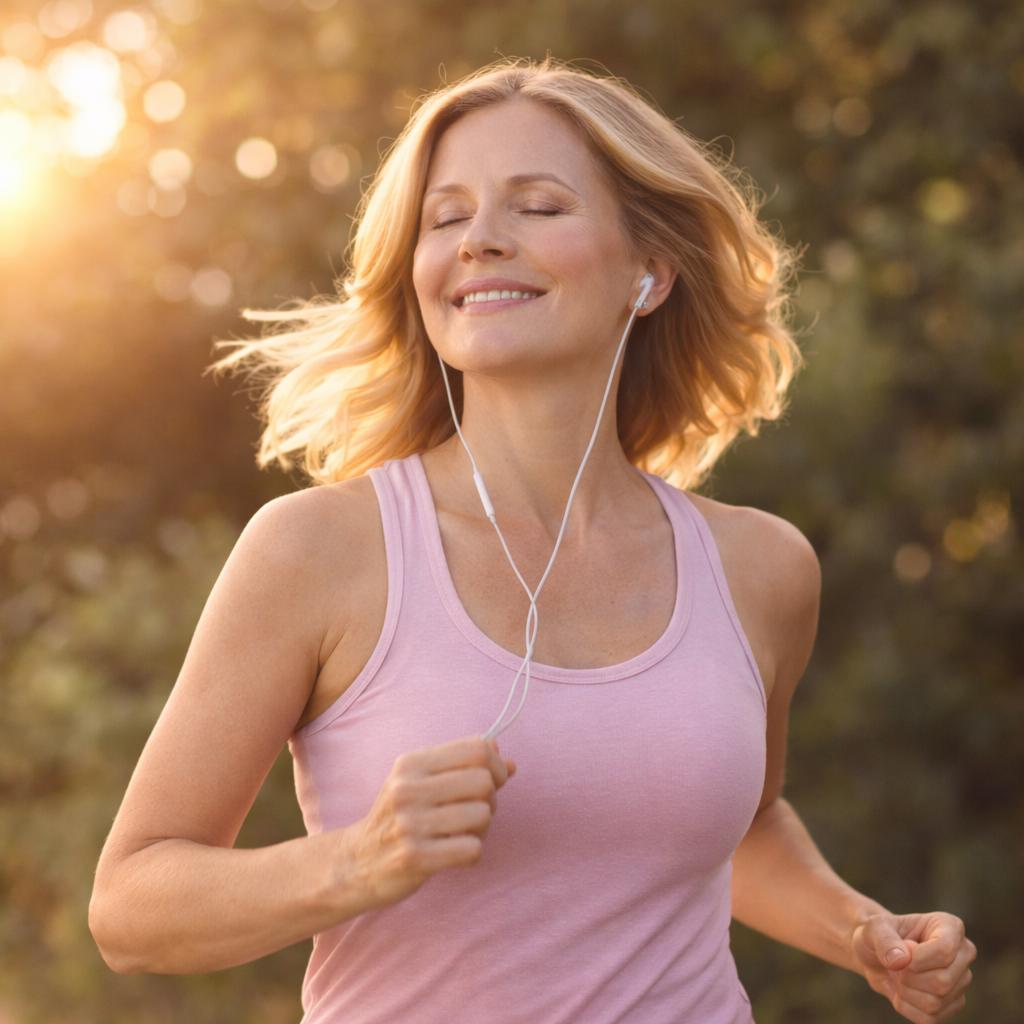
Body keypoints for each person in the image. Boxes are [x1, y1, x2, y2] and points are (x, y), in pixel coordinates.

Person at [88, 56, 976, 1022]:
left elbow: (739, 828)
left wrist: (859, 931)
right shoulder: (319, 552)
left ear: (650, 271)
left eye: (538, 207)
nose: (479, 241)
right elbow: (131, 910)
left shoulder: (761, 567)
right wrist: (356, 859)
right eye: (445, 216)